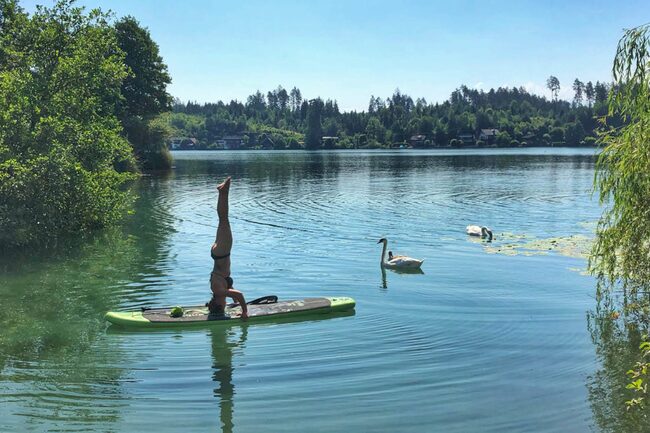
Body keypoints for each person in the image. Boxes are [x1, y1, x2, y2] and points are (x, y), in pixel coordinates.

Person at [207, 176, 248, 320]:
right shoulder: (219, 292)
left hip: (222, 252)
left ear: (219, 303)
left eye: (223, 305)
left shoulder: (219, 292)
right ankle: (223, 192)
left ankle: (223, 192)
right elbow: (232, 289)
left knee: (224, 219)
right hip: (218, 253)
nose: (225, 304)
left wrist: (244, 312)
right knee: (223, 219)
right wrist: (235, 302)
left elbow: (239, 294)